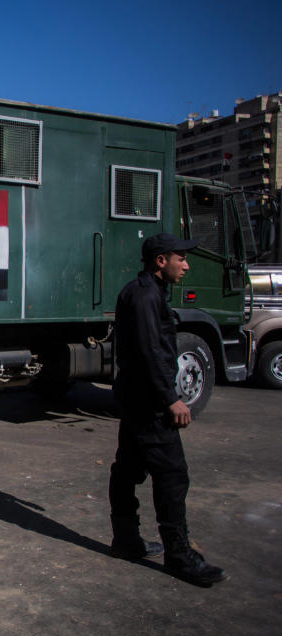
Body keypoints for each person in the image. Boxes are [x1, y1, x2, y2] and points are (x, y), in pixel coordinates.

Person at [109, 232, 226, 586]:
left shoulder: (142, 291)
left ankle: (126, 540)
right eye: (181, 258)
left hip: (136, 399)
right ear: (161, 261)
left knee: (127, 468)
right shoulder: (145, 297)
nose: (186, 265)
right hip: (150, 404)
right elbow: (150, 352)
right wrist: (171, 399)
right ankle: (180, 557)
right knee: (173, 476)